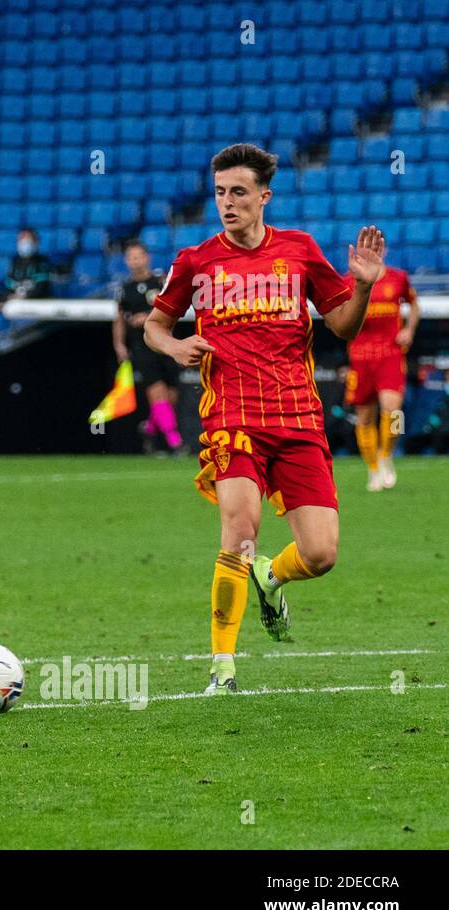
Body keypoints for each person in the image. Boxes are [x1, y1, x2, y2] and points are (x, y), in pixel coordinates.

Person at [142, 143, 385, 694]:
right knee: (240, 531)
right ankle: (222, 668)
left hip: (298, 415)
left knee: (321, 554)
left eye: (239, 193)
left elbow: (343, 326)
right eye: (221, 193)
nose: (227, 203)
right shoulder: (196, 260)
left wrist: (364, 284)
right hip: (231, 415)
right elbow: (154, 326)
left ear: (264, 196)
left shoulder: (299, 251)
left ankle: (272, 577)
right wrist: (172, 344)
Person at [344, 265, 419, 491]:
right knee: (364, 418)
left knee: (394, 412)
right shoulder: (349, 282)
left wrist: (409, 330)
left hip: (391, 354)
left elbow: (414, 305)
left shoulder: (399, 277)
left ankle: (386, 454)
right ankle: (373, 467)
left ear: (382, 249)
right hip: (361, 356)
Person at [114, 241, 185, 455]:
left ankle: (149, 428)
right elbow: (118, 319)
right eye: (131, 257)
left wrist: (150, 318)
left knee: (171, 398)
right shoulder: (124, 289)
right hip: (141, 346)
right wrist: (119, 344)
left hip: (165, 343)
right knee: (157, 394)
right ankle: (176, 443)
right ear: (126, 261)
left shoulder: (160, 282)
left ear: (147, 258)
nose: (135, 261)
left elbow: (175, 307)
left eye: (138, 256)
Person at [5, 228, 54, 300]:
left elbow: (41, 287)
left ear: (36, 242)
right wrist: (11, 296)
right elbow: (8, 285)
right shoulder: (15, 262)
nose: (25, 243)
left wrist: (25, 297)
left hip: (37, 303)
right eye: (22, 239)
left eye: (28, 240)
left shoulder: (42, 262)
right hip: (17, 303)